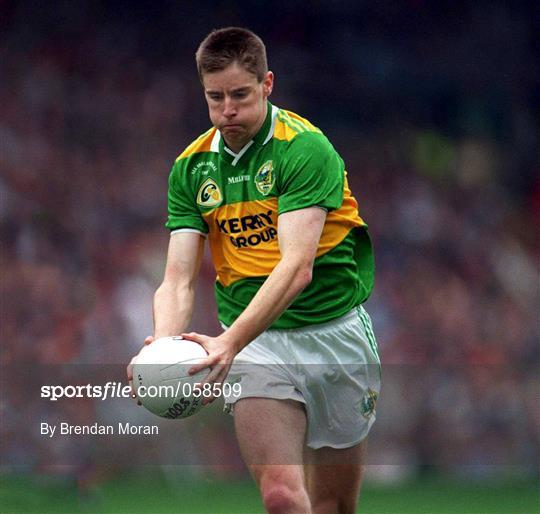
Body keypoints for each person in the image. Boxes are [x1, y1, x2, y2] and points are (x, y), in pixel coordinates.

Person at [127, 27, 380, 514]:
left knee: (332, 505)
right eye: (214, 97)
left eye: (240, 95)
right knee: (282, 497)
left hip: (335, 335)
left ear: (267, 84)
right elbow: (178, 278)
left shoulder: (305, 149)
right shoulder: (190, 168)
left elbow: (297, 267)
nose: (227, 110)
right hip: (258, 343)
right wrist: (163, 350)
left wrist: (228, 343)